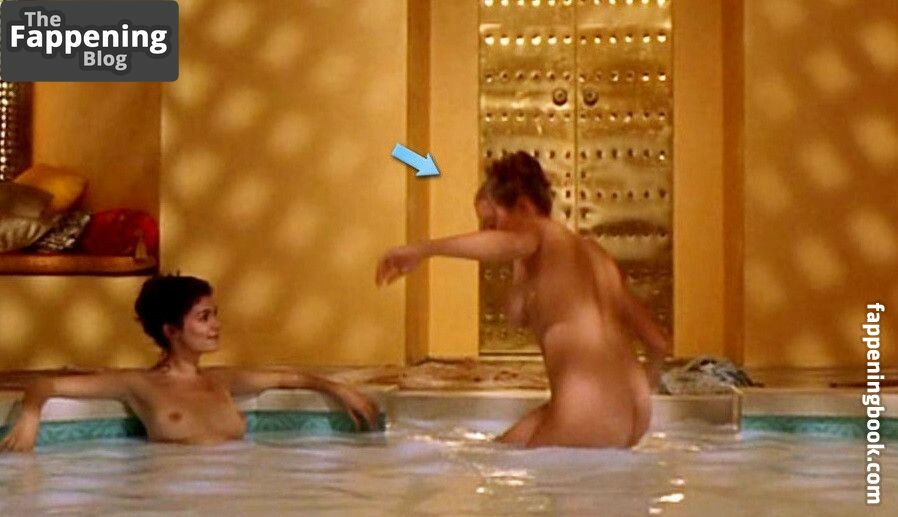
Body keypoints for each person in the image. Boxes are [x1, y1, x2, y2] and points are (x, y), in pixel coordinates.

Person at [376, 151, 670, 448]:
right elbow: (657, 342)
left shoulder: (537, 230)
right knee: (500, 448)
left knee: (490, 468)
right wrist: (643, 384)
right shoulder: (595, 256)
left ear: (524, 207)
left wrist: (423, 250)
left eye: (492, 224)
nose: (487, 234)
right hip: (635, 413)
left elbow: (507, 245)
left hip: (588, 413)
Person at [1, 274, 380, 452]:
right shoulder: (139, 385)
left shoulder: (222, 380)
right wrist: (30, 418)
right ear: (172, 330)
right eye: (203, 317)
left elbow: (288, 378)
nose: (216, 325)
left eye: (214, 315)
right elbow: (46, 384)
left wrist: (338, 388)